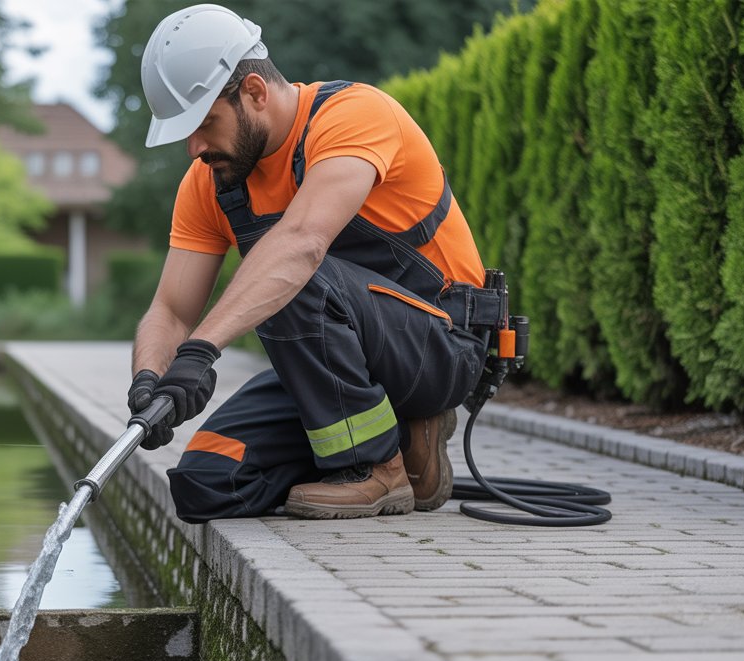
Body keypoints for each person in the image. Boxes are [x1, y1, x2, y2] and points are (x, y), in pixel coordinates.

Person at [128, 4, 502, 523]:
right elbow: (170, 308)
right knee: (207, 483)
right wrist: (152, 381)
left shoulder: (355, 116)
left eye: (205, 123)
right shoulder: (210, 182)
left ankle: (374, 470)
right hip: (333, 367)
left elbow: (302, 244)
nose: (194, 147)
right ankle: (397, 436)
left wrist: (200, 352)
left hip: (440, 348)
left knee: (287, 269)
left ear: (255, 92)